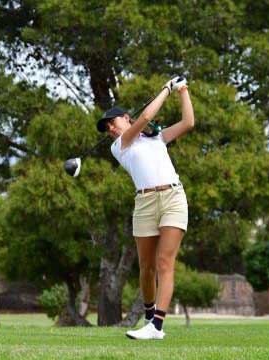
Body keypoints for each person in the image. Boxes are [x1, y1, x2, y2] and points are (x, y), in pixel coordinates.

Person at [96, 77, 194, 340]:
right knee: (146, 267)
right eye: (107, 128)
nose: (111, 130)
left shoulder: (157, 139)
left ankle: (156, 326)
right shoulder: (120, 145)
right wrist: (165, 88)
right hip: (145, 203)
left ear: (125, 118)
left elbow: (188, 123)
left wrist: (182, 90)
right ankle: (150, 315)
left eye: (112, 124)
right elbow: (147, 115)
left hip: (173, 197)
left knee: (164, 262)